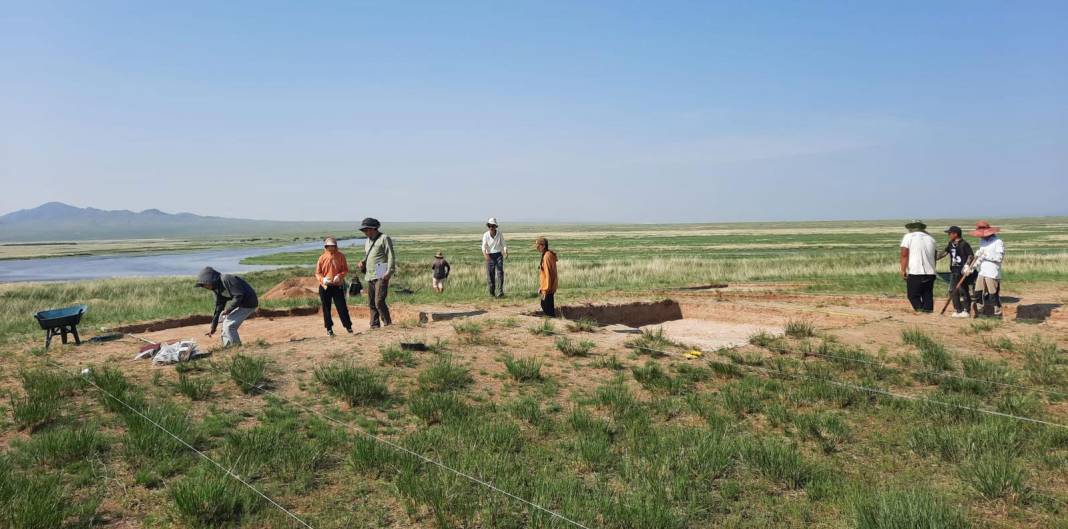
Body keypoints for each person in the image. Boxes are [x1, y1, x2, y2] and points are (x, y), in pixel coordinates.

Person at [195, 267, 258, 347]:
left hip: (249, 303)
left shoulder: (226, 279)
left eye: (204, 284)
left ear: (210, 280)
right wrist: (213, 327)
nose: (204, 287)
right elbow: (218, 309)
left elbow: (239, 295)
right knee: (225, 324)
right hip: (240, 304)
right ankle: (228, 347)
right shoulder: (216, 289)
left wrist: (228, 309)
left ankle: (236, 348)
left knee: (229, 325)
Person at [356, 218, 395, 328]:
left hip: (381, 270)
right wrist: (363, 261)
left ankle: (388, 324)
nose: (364, 232)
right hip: (370, 273)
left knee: (379, 301)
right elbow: (369, 254)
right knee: (372, 302)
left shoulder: (384, 238)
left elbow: (390, 255)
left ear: (373, 229)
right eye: (363, 230)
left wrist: (389, 271)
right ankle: (374, 325)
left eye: (366, 230)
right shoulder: (367, 241)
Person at [936, 226, 976, 318]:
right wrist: (934, 258)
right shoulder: (951, 243)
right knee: (953, 291)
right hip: (954, 270)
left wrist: (967, 265)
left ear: (955, 234)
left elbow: (971, 256)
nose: (948, 235)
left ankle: (966, 310)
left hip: (962, 271)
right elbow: (945, 253)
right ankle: (958, 310)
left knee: (963, 290)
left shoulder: (964, 244)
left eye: (949, 233)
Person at [316, 237, 353, 336]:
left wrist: (339, 276)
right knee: (326, 308)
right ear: (326, 247)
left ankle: (348, 326)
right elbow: (317, 273)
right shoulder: (322, 258)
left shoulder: (341, 256)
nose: (331, 248)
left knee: (342, 306)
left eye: (333, 246)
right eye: (329, 246)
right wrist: (323, 279)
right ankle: (329, 329)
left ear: (336, 246)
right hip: (325, 287)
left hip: (337, 285)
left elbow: (345, 269)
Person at [899, 220, 937, 312]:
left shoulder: (908, 237)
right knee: (927, 294)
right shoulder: (931, 239)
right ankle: (928, 312)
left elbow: (904, 254)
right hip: (930, 272)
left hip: (915, 271)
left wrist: (903, 270)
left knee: (912, 295)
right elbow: (935, 256)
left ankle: (920, 311)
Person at [969, 220, 1004, 317]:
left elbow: (999, 258)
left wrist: (986, 256)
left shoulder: (998, 242)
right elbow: (979, 257)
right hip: (982, 271)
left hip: (992, 272)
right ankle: (980, 312)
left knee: (993, 294)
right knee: (978, 292)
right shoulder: (982, 241)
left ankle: (997, 313)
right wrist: (973, 266)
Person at [481, 217, 507, 298]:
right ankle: (492, 293)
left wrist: (506, 251)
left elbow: (504, 244)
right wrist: (485, 255)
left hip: (499, 255)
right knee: (490, 275)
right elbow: (483, 246)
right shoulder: (485, 235)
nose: (491, 228)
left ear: (495, 226)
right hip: (489, 255)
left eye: (493, 226)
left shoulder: (499, 234)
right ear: (488, 226)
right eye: (490, 226)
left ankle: (500, 292)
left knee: (500, 274)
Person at [535, 237, 558, 317]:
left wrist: (545, 289)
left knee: (547, 309)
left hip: (547, 289)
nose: (536, 248)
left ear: (543, 246)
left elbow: (548, 274)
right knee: (548, 309)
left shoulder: (547, 256)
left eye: (538, 246)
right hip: (548, 288)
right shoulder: (547, 254)